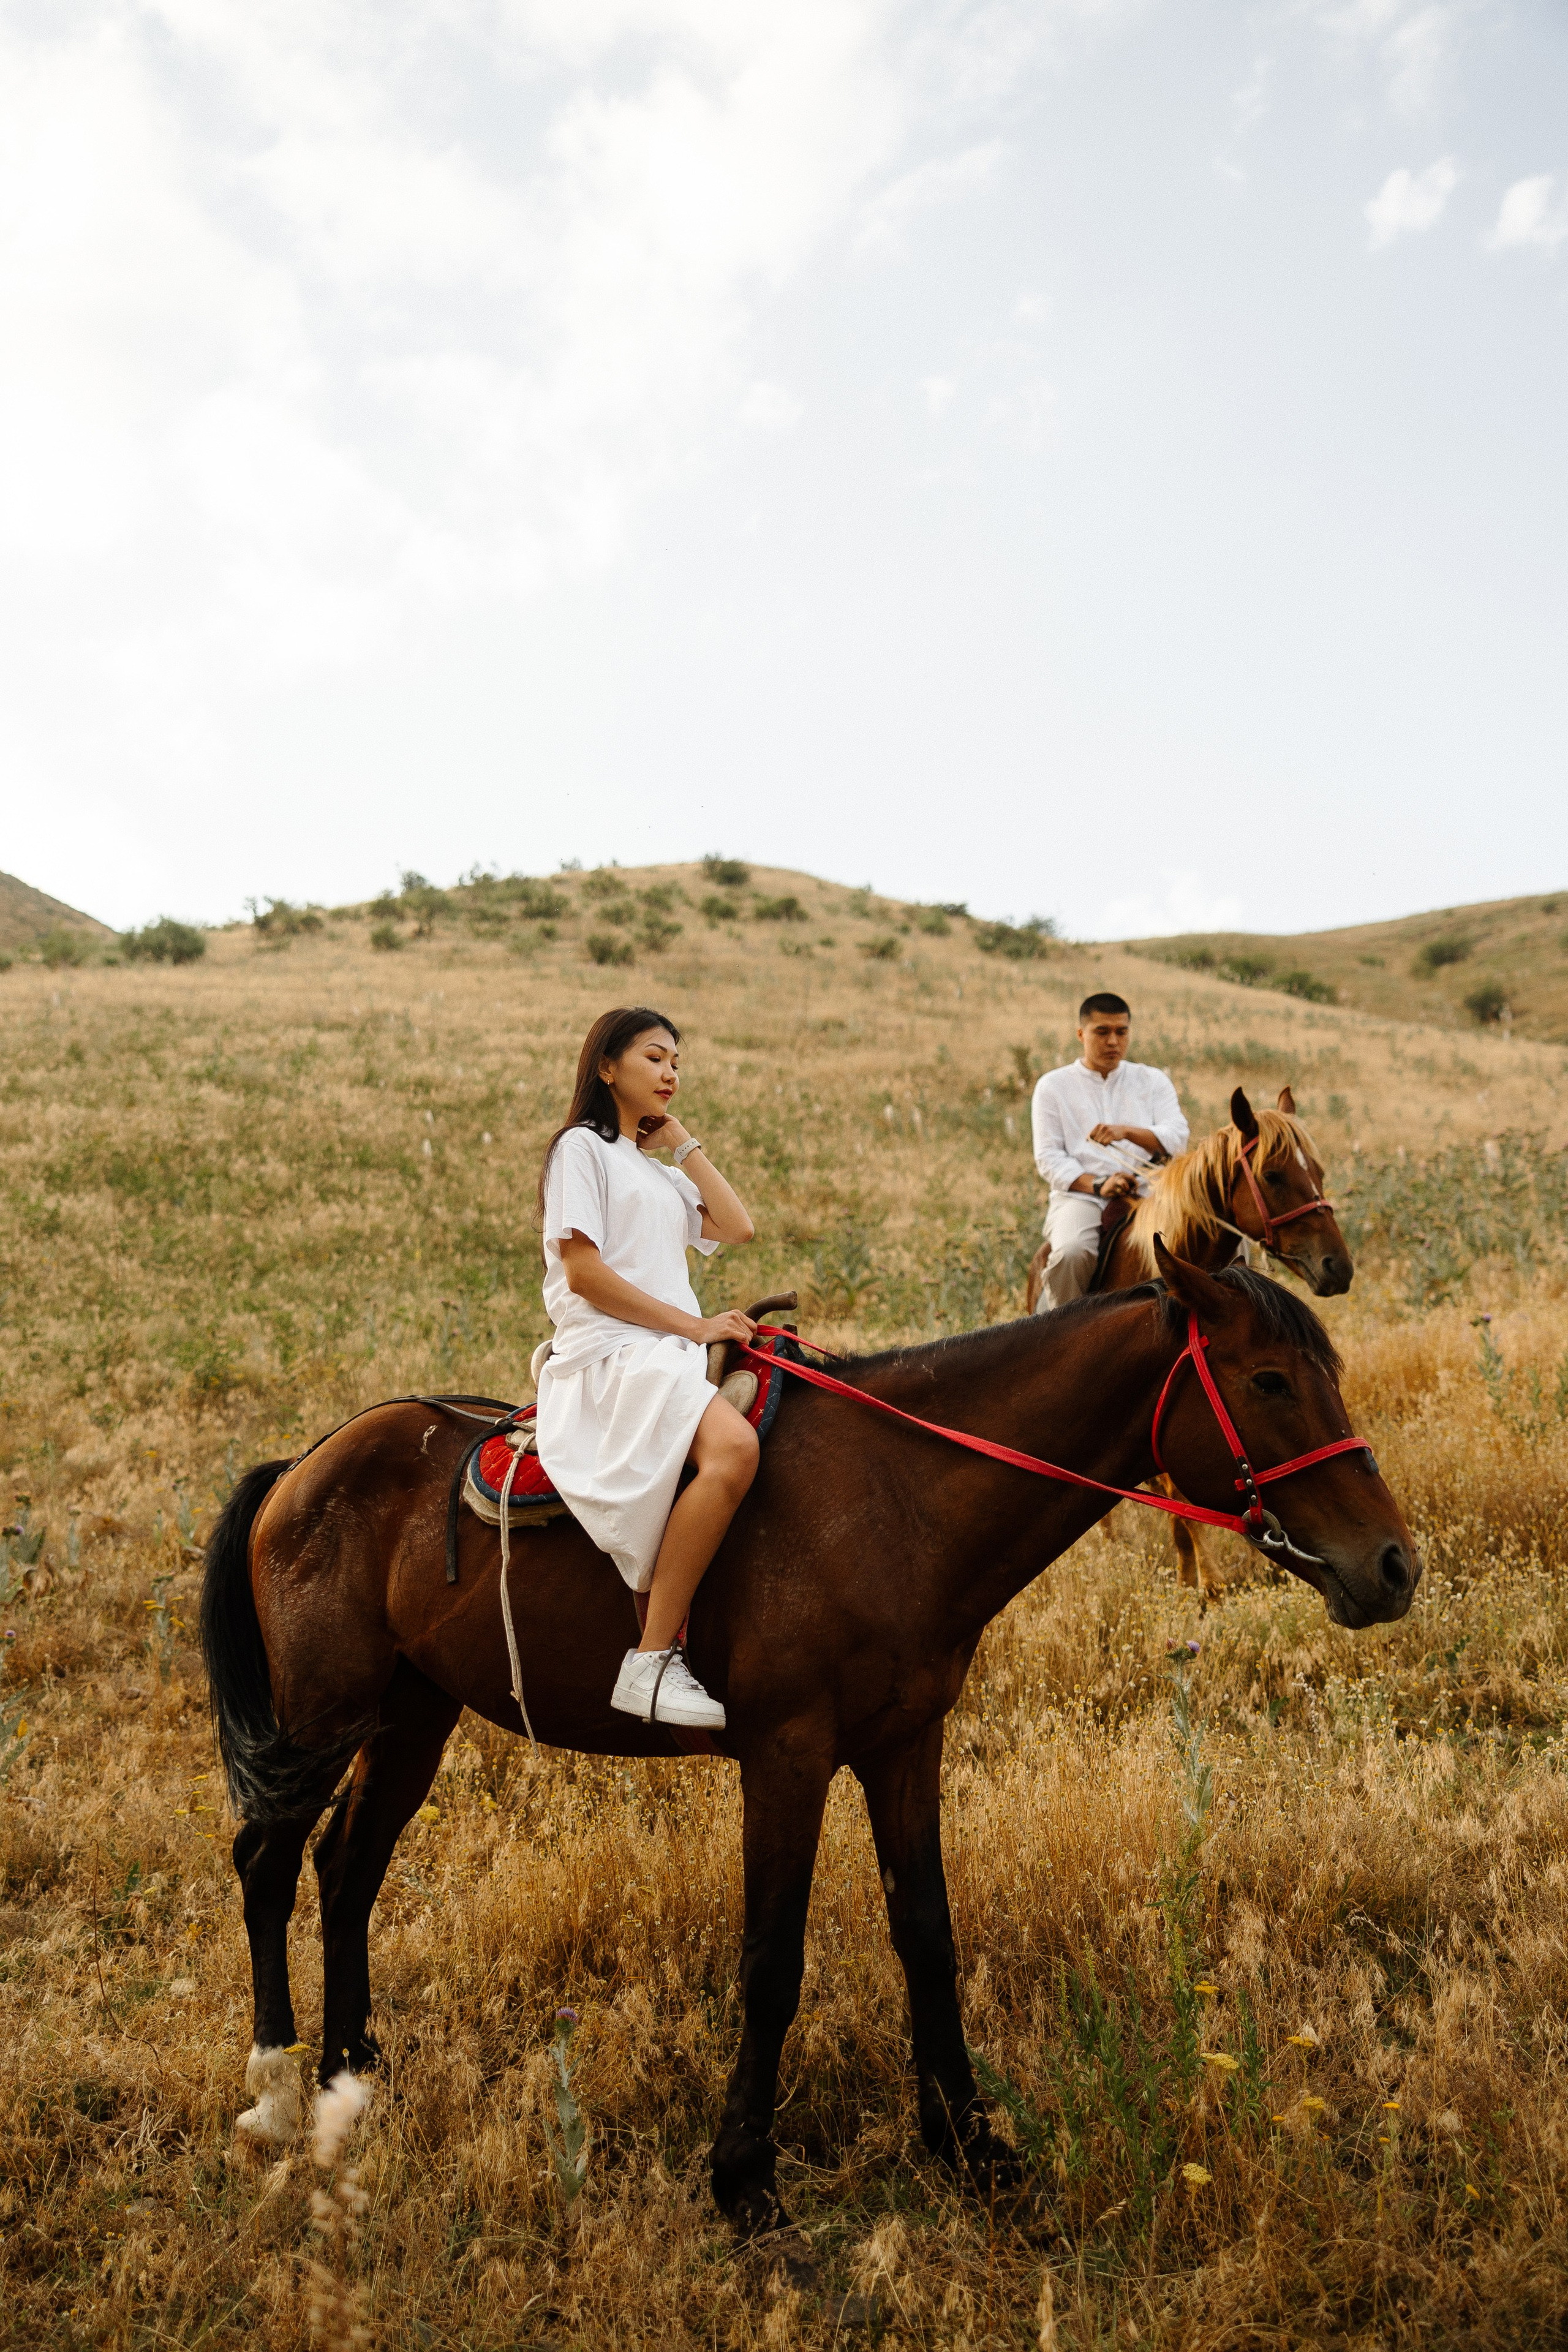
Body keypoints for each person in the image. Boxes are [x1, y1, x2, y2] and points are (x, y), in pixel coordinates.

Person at [533, 1006, 759, 1732]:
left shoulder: (654, 1172)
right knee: (734, 1449)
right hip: (611, 1351)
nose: (670, 1074)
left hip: (662, 1351)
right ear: (607, 1067)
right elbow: (583, 1275)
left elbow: (737, 1227)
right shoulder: (581, 1151)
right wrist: (694, 1324)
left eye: (676, 1064)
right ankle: (652, 1660)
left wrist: (684, 1145)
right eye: (655, 1058)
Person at [1030, 992, 1188, 1311]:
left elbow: (1178, 1138)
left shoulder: (1153, 1080)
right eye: (1102, 1032)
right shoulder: (1053, 1086)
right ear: (1081, 1034)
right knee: (1072, 1252)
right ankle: (1065, 1337)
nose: (1113, 1041)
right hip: (1082, 1196)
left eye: (1121, 1031)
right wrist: (1100, 1185)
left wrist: (1127, 1131)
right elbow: (1049, 1158)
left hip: (1151, 1192)